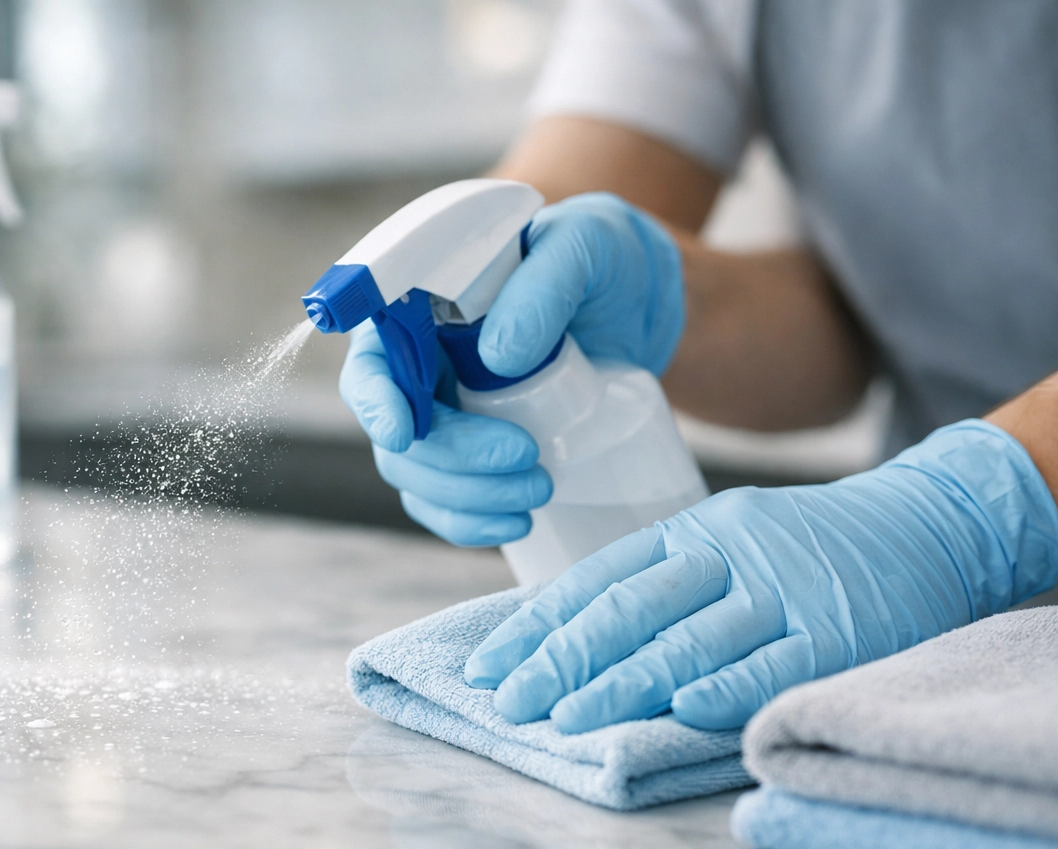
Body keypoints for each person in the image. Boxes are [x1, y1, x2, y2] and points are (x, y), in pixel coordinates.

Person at [339, 0, 1058, 733]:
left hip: (913, 554)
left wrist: (975, 507)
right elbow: (849, 333)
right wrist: (670, 297)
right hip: (910, 613)